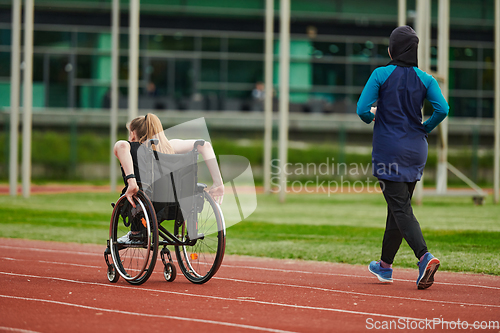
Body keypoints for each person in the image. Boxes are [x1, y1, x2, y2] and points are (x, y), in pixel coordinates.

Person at [356, 26, 449, 290]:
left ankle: (424, 257)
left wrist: (372, 116)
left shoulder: (381, 74)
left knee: (400, 208)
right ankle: (384, 266)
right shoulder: (426, 79)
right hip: (416, 149)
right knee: (397, 208)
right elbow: (443, 109)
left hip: (389, 151)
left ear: (392, 49)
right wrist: (425, 127)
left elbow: (362, 109)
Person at [113, 113, 224, 242]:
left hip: (144, 203)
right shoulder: (169, 147)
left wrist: (131, 182)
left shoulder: (129, 147)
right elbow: (205, 145)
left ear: (132, 134)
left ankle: (137, 231)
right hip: (176, 205)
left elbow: (121, 146)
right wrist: (218, 183)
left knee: (139, 193)